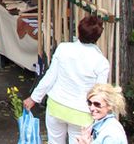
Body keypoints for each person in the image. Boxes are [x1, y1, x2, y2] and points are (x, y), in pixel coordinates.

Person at [25, 15, 110, 144]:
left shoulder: (63, 49)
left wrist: (34, 98)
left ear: (79, 30)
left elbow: (50, 77)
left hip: (56, 106)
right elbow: (100, 93)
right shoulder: (102, 63)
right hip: (82, 113)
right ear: (98, 37)